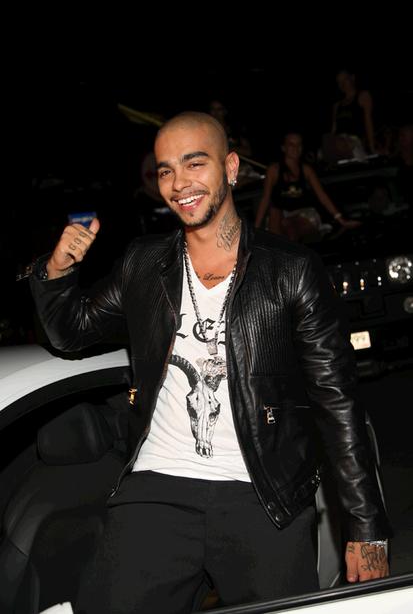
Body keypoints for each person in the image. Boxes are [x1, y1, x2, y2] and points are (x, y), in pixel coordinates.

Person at [30, 112, 390, 614]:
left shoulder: (290, 271)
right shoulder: (143, 263)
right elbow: (71, 333)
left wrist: (367, 527)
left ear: (231, 168)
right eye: (166, 170)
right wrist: (56, 271)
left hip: (263, 493)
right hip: (157, 487)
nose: (179, 184)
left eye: (194, 164)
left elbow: (337, 402)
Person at [255, 131, 360, 240]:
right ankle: (278, 244)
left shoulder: (306, 170)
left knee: (291, 226)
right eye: (291, 145)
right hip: (281, 216)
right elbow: (265, 199)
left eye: (299, 145)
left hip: (303, 215)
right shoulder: (274, 170)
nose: (296, 148)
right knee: (275, 212)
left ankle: (293, 244)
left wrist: (341, 220)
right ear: (283, 148)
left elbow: (322, 196)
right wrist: (256, 229)